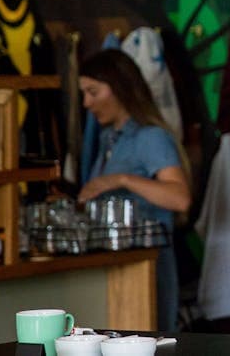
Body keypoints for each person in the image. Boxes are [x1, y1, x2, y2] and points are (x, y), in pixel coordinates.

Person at [78, 48, 192, 332]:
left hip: (149, 263)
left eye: (93, 92)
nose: (86, 103)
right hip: (116, 267)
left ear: (119, 88)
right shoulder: (108, 139)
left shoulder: (150, 138)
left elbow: (179, 198)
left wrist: (122, 180)